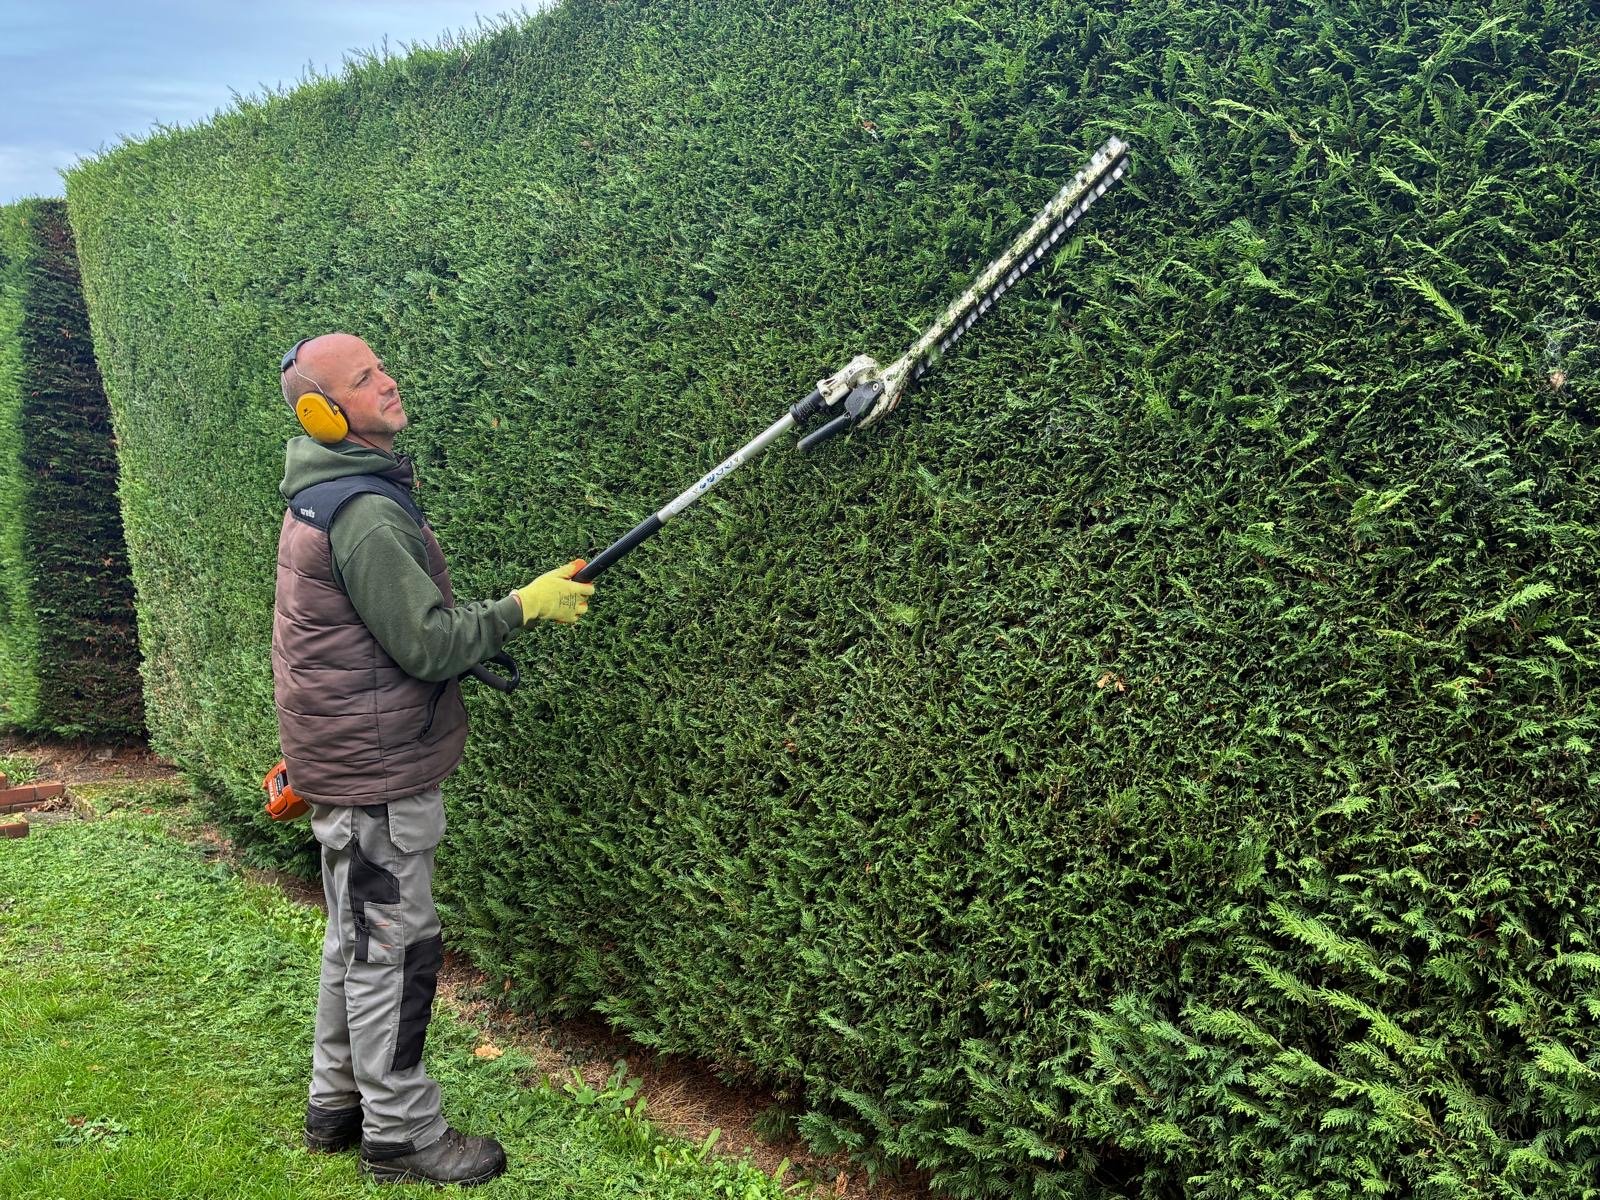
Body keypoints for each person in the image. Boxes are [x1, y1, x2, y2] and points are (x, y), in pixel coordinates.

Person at [271, 332, 592, 1186]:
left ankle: (335, 1103)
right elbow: (426, 644)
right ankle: (402, 1133)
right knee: (393, 948)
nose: (388, 382)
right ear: (322, 412)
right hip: (376, 780)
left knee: (355, 941)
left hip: (349, 766)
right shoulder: (364, 512)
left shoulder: (325, 493)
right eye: (364, 379)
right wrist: (522, 608)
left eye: (382, 367)